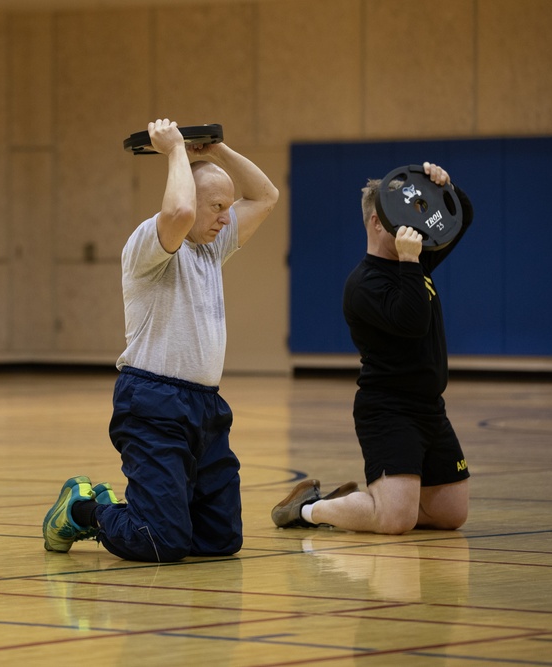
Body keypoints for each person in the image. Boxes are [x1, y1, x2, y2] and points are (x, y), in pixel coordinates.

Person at [43, 119, 279, 561]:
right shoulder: (148, 244)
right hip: (153, 403)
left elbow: (266, 196)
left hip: (206, 407)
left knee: (219, 542)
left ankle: (165, 506)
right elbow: (179, 214)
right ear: (192, 198)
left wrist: (217, 150)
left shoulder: (213, 245)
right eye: (217, 207)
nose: (226, 217)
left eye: (228, 207)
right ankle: (83, 509)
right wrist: (174, 153)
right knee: (161, 542)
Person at [271, 161, 474, 534]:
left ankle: (372, 504)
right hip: (389, 411)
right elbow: (413, 324)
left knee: (451, 514)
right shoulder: (363, 284)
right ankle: (310, 509)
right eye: (403, 217)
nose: (415, 227)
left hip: (430, 408)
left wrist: (446, 186)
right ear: (379, 222)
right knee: (396, 521)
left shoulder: (416, 264)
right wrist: (411, 260)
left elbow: (462, 219)